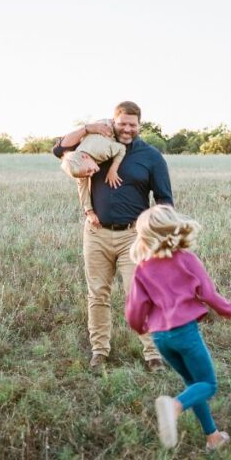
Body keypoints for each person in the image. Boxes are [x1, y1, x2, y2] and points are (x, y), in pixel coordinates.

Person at [53, 101, 173, 371]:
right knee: (97, 294)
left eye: (133, 124)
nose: (127, 129)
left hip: (133, 237)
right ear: (113, 122)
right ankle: (100, 351)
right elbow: (59, 148)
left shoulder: (151, 156)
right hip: (95, 234)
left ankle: (152, 354)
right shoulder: (97, 142)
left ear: (140, 125)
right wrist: (87, 128)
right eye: (122, 123)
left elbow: (165, 199)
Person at [124, 205, 231, 450]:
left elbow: (135, 309)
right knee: (208, 384)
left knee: (193, 385)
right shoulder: (186, 259)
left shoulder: (143, 268)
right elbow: (208, 293)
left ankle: (213, 438)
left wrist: (139, 327)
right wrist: (229, 310)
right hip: (185, 333)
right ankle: (174, 406)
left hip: (160, 338)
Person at [58, 118, 126, 224]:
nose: (91, 173)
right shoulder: (81, 166)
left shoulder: (102, 151)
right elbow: (82, 189)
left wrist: (113, 169)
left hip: (106, 125)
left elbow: (121, 148)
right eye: (88, 174)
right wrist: (89, 212)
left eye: (89, 170)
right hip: (92, 138)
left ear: (85, 157)